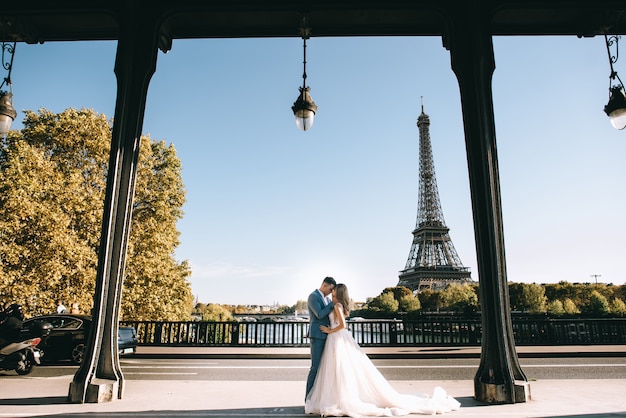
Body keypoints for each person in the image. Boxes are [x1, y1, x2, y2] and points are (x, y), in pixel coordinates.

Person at [305, 284, 461, 416]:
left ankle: (337, 397)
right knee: (341, 369)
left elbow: (342, 325)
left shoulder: (337, 305)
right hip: (337, 339)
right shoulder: (336, 304)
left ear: (337, 293)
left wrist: (329, 330)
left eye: (333, 291)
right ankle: (340, 397)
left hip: (336, 337)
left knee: (339, 369)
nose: (331, 292)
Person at [305, 276, 337, 399]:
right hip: (317, 336)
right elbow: (319, 314)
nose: (331, 292)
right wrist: (332, 304)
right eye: (330, 289)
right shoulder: (313, 296)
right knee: (315, 368)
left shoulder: (327, 300)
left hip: (328, 336)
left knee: (325, 368)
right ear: (324, 285)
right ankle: (308, 398)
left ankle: (320, 398)